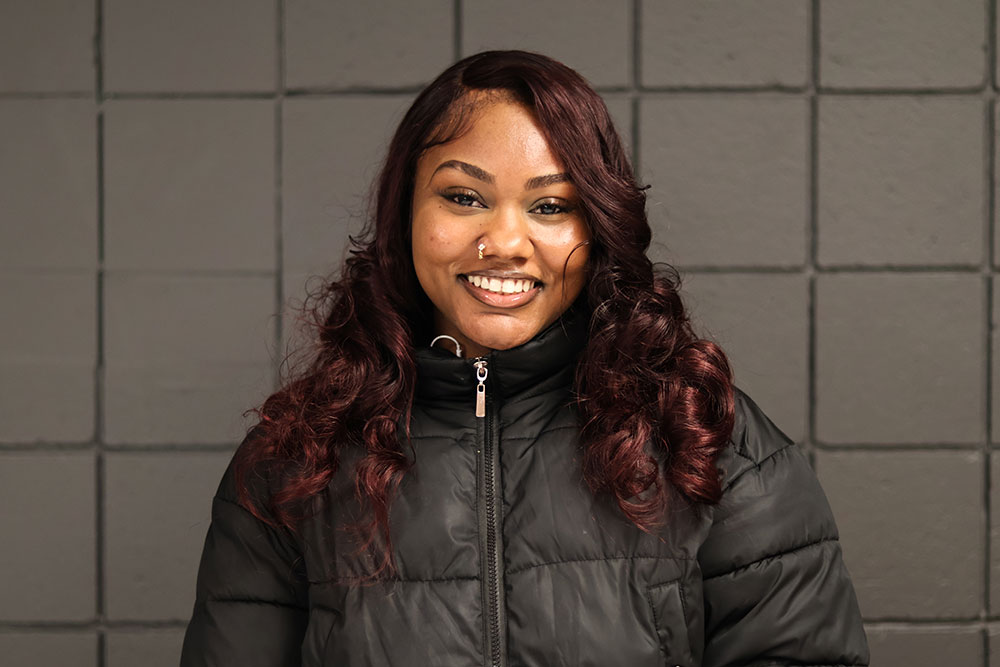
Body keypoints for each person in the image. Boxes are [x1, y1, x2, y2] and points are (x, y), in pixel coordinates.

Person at [180, 50, 869, 667]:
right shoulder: (295, 460)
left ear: (597, 227)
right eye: (463, 196)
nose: (505, 240)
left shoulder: (710, 439)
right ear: (404, 213)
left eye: (550, 206)